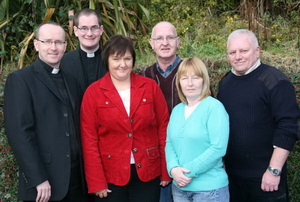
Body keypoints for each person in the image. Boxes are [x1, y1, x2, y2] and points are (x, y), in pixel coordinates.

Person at [80, 35, 171, 202]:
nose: (122, 64)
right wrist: (96, 182)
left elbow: (164, 129)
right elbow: (89, 139)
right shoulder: (93, 93)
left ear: (133, 61)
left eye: (127, 58)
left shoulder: (149, 87)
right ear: (107, 61)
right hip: (111, 175)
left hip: (148, 171)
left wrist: (166, 170)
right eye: (116, 59)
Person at [4, 22, 88, 202]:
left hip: (75, 183)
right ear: (36, 44)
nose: (53, 47)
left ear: (66, 46)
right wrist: (38, 179)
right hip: (44, 185)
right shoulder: (20, 80)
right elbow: (19, 134)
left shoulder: (72, 81)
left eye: (59, 42)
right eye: (47, 41)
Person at [217, 29, 300, 202]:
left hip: (266, 179)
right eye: (233, 52)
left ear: (257, 51)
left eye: (244, 51)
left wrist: (273, 170)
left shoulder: (275, 81)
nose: (238, 56)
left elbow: (288, 128)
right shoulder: (225, 83)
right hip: (232, 178)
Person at [165, 57, 230, 202]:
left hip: (209, 191)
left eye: (195, 77)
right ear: (179, 82)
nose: (190, 83)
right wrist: (173, 168)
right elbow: (169, 143)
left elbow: (218, 148)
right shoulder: (177, 110)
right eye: (184, 78)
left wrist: (188, 172)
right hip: (179, 190)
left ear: (204, 80)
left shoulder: (214, 108)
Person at [141, 21, 181, 202]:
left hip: (187, 156)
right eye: (159, 38)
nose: (165, 43)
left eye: (170, 38)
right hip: (156, 158)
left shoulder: (191, 71)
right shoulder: (144, 76)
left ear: (178, 41)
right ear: (151, 43)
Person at [61, 8, 106, 92]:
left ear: (101, 30)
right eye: (84, 28)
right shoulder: (63, 62)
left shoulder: (112, 60)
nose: (89, 33)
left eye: (94, 28)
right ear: (76, 31)